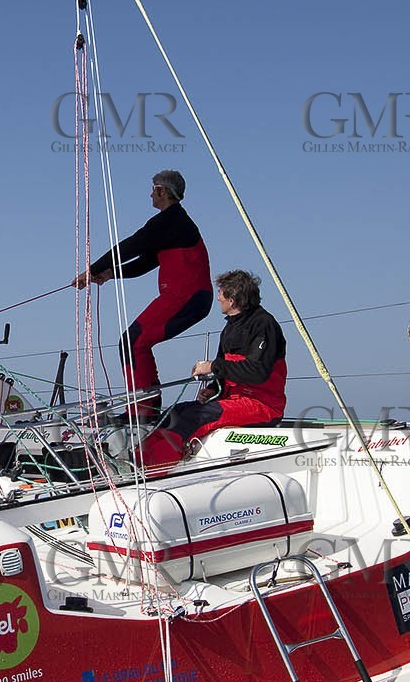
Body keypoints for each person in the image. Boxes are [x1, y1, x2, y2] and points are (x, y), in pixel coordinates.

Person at [73, 170, 210, 416]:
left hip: (187, 297)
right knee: (134, 341)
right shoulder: (172, 225)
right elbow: (144, 262)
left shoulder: (171, 220)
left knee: (132, 340)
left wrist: (91, 269)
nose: (150, 195)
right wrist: (109, 274)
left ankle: (144, 407)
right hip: (187, 298)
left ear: (162, 191)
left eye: (153, 190)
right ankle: (146, 402)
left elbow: (131, 245)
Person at [139, 270, 287, 468]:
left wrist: (212, 366)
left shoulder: (264, 325)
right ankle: (136, 459)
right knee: (176, 412)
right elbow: (225, 369)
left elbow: (257, 371)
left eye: (221, 293)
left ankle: (152, 467)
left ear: (232, 299)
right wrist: (212, 387)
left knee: (196, 417)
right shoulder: (230, 328)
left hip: (262, 405)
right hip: (232, 399)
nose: (218, 298)